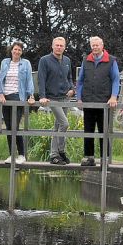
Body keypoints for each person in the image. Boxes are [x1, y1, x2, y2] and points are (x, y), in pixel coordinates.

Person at [76, 36, 120, 166]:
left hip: (104, 102)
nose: (95, 47)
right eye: (93, 45)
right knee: (88, 130)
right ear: (91, 46)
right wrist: (79, 98)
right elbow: (80, 81)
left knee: (103, 131)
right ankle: (89, 157)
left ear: (102, 45)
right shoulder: (86, 60)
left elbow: (116, 79)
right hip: (88, 101)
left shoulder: (111, 61)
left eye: (97, 45)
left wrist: (113, 97)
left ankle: (104, 158)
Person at [37, 36, 75, 165]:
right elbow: (41, 79)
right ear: (52, 46)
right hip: (52, 98)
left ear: (64, 47)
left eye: (61, 45)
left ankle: (56, 155)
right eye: (57, 45)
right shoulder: (45, 60)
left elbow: (69, 77)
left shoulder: (67, 60)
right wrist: (42, 96)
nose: (59, 47)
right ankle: (58, 152)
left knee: (58, 126)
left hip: (65, 98)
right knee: (65, 124)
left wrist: (72, 88)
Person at [0, 41, 36, 164]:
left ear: (21, 52)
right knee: (8, 127)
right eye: (15, 49)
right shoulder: (5, 62)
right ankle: (11, 155)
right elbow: (0, 79)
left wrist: (31, 95)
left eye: (19, 50)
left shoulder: (25, 64)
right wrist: (1, 93)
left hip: (18, 97)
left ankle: (22, 155)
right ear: (11, 50)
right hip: (5, 98)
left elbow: (29, 80)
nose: (17, 51)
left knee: (15, 127)